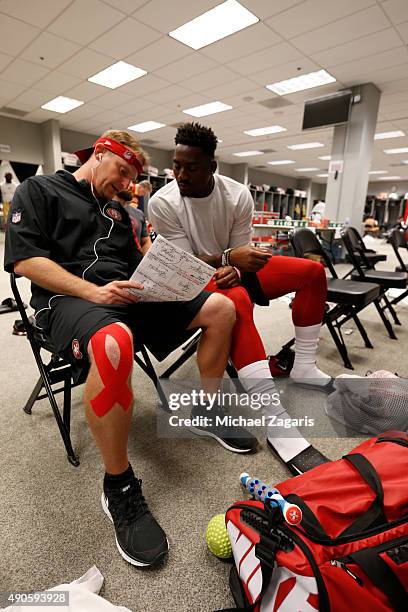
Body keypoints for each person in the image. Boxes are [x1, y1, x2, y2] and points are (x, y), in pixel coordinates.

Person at [4, 129, 255, 568]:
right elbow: (25, 261)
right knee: (116, 340)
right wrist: (94, 292)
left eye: (131, 178)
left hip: (125, 297)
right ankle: (118, 486)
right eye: (122, 171)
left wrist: (169, 276)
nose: (125, 184)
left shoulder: (122, 215)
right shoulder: (39, 189)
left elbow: (138, 270)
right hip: (66, 302)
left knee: (219, 308)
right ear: (100, 154)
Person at [149, 122, 332, 475]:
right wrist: (228, 260)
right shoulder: (163, 203)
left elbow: (240, 251)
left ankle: (304, 366)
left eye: (192, 167)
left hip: (231, 266)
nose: (181, 175)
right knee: (237, 301)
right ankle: (276, 421)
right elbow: (187, 266)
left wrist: (233, 261)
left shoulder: (237, 195)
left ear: (212, 167)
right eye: (176, 165)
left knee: (312, 273)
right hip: (194, 278)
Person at [115, 189, 152, 256]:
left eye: (132, 180)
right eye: (124, 178)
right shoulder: (102, 209)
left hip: (134, 263)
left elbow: (145, 241)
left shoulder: (139, 213)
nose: (131, 184)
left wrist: (146, 263)